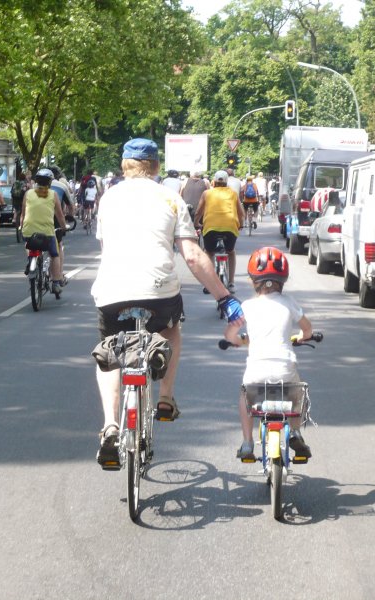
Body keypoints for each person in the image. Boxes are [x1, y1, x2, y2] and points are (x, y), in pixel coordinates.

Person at [92, 138, 244, 469]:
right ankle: (164, 398)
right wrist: (225, 297)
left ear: (123, 166)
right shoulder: (170, 198)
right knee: (171, 328)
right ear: (156, 167)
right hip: (158, 291)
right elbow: (191, 255)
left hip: (112, 290)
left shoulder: (108, 199)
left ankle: (111, 426)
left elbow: (108, 249)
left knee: (110, 350)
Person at [224, 246, 313, 462]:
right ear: (282, 280)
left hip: (257, 371)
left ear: (254, 280)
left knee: (245, 396)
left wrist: (239, 341)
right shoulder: (290, 303)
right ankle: (295, 432)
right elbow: (308, 329)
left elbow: (231, 335)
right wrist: (302, 336)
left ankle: (247, 443)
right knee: (297, 394)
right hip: (285, 368)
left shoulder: (246, 306)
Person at [193, 170, 244, 292]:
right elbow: (241, 213)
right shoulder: (233, 193)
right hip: (230, 227)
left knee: (209, 252)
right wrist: (240, 225)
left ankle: (208, 283)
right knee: (230, 252)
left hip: (210, 228)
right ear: (227, 182)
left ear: (214, 181)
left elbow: (199, 212)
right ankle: (231, 283)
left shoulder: (207, 193)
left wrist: (196, 224)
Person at [21, 168, 68, 294]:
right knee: (54, 254)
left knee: (28, 243)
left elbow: (23, 214)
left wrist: (21, 227)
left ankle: (30, 261)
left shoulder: (28, 194)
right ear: (50, 182)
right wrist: (64, 228)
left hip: (29, 231)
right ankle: (56, 282)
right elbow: (60, 215)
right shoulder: (53, 195)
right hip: (47, 232)